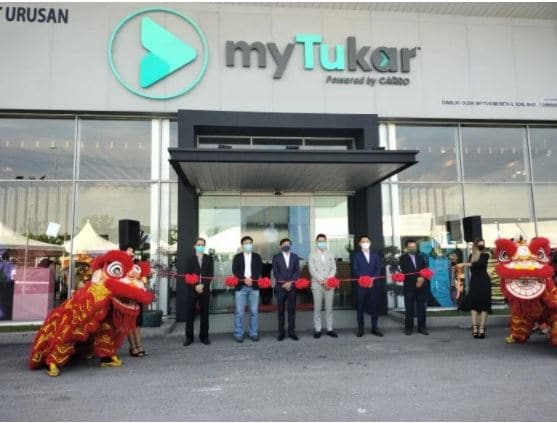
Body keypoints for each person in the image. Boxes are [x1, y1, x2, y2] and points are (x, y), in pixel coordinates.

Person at [458, 238, 492, 339]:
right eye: (480, 244)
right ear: (475, 246)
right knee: (474, 305)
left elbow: (479, 264)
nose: (482, 246)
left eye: (483, 244)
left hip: (484, 282)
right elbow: (473, 268)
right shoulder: (471, 256)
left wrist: (463, 264)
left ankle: (482, 328)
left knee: (484, 305)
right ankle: (475, 327)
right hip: (474, 282)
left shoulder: (486, 255)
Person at [232, 236, 263, 342]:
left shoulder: (257, 257)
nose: (248, 245)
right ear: (242, 245)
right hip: (241, 287)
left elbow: (259, 269)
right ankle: (238, 333)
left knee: (254, 311)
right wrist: (244, 279)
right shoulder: (237, 257)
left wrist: (252, 279)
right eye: (246, 243)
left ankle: (253, 333)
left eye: (250, 243)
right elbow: (235, 270)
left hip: (254, 287)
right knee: (239, 312)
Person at [184, 237, 214, 346]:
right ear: (195, 246)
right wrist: (196, 285)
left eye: (202, 245)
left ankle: (204, 337)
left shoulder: (209, 259)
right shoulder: (189, 259)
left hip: (204, 290)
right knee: (190, 314)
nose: (201, 247)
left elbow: (210, 275)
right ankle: (189, 337)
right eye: (199, 245)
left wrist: (203, 285)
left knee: (204, 314)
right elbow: (187, 274)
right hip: (192, 290)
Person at [351, 235, 383, 337]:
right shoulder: (356, 255)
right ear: (360, 244)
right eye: (363, 241)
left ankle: (374, 328)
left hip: (373, 284)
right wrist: (364, 279)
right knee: (360, 307)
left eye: (367, 241)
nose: (365, 243)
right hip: (361, 285)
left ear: (370, 243)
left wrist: (373, 278)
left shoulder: (375, 255)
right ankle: (360, 329)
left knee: (374, 306)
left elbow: (378, 268)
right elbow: (355, 269)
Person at [308, 234, 338, 338]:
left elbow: (334, 268)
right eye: (320, 241)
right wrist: (322, 280)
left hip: (330, 285)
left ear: (326, 242)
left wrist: (328, 280)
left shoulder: (330, 254)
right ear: (316, 242)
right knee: (317, 308)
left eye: (323, 241)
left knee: (329, 308)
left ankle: (330, 329)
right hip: (317, 285)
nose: (321, 243)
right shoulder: (312, 254)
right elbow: (312, 270)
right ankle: (318, 329)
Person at [399, 239, 430, 335]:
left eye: (414, 247)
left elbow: (424, 269)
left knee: (421, 308)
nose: (412, 249)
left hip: (421, 286)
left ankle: (422, 328)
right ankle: (409, 328)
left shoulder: (420, 257)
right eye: (410, 247)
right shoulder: (403, 258)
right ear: (406, 248)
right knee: (409, 308)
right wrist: (417, 279)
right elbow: (406, 271)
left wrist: (422, 278)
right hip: (409, 286)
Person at [272, 238, 300, 341]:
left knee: (292, 311)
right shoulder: (276, 257)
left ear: (291, 245)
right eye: (284, 244)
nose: (286, 245)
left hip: (292, 287)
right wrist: (284, 283)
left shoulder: (295, 257)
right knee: (281, 311)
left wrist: (291, 283)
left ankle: (292, 332)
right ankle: (281, 333)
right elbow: (276, 271)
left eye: (288, 244)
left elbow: (297, 271)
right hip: (281, 287)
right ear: (280, 246)